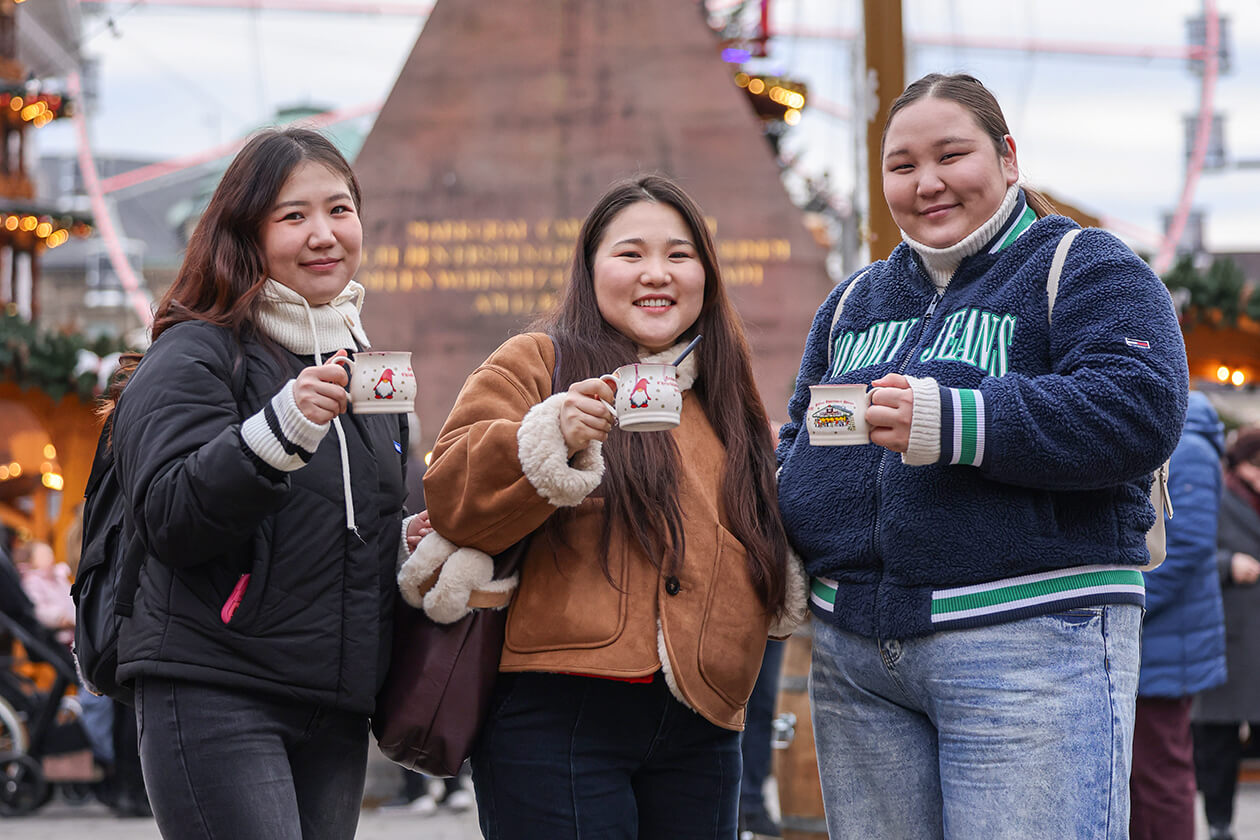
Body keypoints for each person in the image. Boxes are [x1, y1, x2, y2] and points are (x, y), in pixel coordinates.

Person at [775, 72, 1188, 839]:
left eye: (950, 155)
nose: (926, 182)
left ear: (1007, 157)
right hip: (854, 658)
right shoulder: (853, 301)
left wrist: (955, 419)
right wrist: (789, 538)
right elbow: (802, 437)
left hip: (1031, 644)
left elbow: (1139, 407)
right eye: (902, 166)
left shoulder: (1084, 265)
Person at [415, 173, 806, 840]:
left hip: (703, 724)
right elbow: (452, 495)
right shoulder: (536, 362)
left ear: (707, 275)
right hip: (556, 716)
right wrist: (551, 432)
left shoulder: (726, 395)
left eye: (679, 255)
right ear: (591, 268)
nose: (657, 273)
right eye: (630, 254)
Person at [107, 127, 408, 840]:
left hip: (334, 701)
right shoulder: (196, 350)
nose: (323, 234)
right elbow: (169, 515)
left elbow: (353, 521)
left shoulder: (363, 367)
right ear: (246, 232)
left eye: (339, 209)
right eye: (292, 215)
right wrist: (276, 432)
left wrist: (406, 541)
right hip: (217, 687)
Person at [1130, 391, 1227, 840]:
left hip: (1165, 642)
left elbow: (1184, 547)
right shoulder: (1175, 434)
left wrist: (1127, 604)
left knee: (1159, 778)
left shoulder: (1188, 444)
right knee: (1144, 777)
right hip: (1162, 640)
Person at [1193, 425, 1260, 840]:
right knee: (1218, 740)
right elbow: (1190, 552)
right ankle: (1219, 826)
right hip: (1229, 635)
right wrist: (1227, 565)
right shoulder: (1216, 495)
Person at [738, 639, 785, 839]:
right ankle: (735, 804)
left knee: (764, 707)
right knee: (731, 705)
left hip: (769, 624)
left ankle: (751, 804)